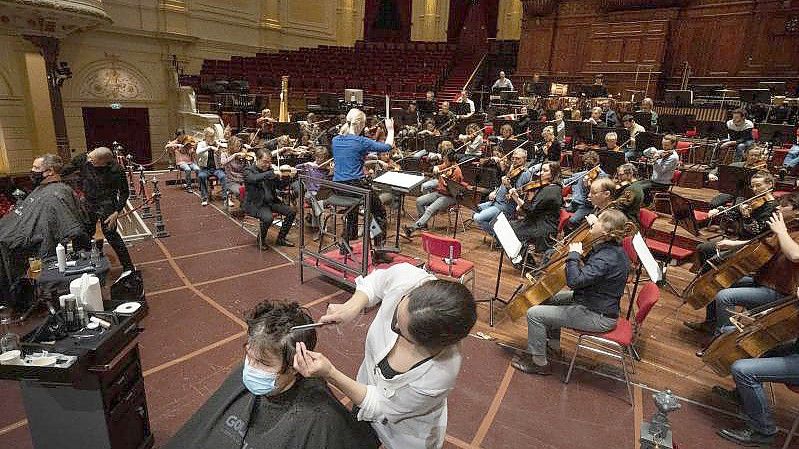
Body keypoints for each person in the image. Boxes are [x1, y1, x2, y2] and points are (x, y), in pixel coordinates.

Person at [292, 262, 477, 449]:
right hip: (362, 391)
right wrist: (351, 307)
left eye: (400, 330)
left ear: (427, 343)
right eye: (397, 312)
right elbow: (377, 282)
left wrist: (330, 373)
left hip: (405, 434)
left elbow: (380, 407)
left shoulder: (438, 375)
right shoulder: (410, 279)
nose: (394, 324)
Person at [165, 300, 379, 449]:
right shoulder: (247, 373)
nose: (250, 367)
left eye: (263, 363)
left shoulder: (320, 418)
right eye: (249, 356)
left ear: (295, 365)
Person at [511, 208, 631, 375]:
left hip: (597, 315)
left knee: (534, 314)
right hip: (592, 301)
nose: (594, 221)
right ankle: (553, 347)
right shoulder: (611, 249)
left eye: (598, 220)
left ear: (605, 231)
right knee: (546, 299)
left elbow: (575, 281)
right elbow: (590, 273)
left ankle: (538, 363)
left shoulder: (606, 258)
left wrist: (574, 255)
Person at [684, 178, 786, 336]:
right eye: (753, 185)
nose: (755, 189)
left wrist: (746, 217)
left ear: (770, 185)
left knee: (714, 265)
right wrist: (724, 212)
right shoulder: (754, 201)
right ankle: (709, 316)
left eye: (759, 185)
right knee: (705, 250)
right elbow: (735, 220)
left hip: (753, 248)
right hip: (743, 241)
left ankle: (713, 318)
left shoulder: (773, 208)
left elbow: (756, 231)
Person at [0, 154, 87, 310]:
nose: (32, 171)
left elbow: (69, 227)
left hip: (38, 244)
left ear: (50, 171)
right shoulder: (43, 189)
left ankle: (24, 296)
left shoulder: (57, 194)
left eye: (36, 168)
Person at [332, 108, 395, 255]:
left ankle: (345, 245)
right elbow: (387, 147)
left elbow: (351, 158)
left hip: (338, 187)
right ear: (360, 124)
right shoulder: (361, 141)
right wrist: (390, 129)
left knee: (351, 211)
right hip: (356, 186)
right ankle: (379, 251)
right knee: (379, 213)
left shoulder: (335, 140)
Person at [62, 147, 134, 272]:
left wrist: (117, 212)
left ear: (103, 162)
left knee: (111, 235)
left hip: (107, 203)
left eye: (92, 160)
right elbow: (64, 171)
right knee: (82, 234)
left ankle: (129, 267)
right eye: (89, 156)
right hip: (88, 201)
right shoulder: (84, 158)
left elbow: (124, 192)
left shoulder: (116, 170)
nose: (88, 160)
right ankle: (82, 265)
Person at [473, 148, 532, 238]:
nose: (514, 160)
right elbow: (502, 185)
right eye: (513, 158)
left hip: (505, 206)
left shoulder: (525, 174)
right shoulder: (512, 168)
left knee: (478, 218)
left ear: (524, 159)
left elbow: (518, 193)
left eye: (518, 159)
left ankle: (502, 237)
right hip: (495, 202)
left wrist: (508, 186)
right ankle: (497, 229)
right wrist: (495, 192)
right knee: (474, 209)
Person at [243, 148, 296, 248]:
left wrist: (288, 177)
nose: (267, 165)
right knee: (268, 218)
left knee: (291, 212)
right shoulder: (248, 170)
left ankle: (281, 238)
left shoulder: (269, 170)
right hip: (256, 204)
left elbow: (279, 186)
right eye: (265, 162)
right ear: (257, 159)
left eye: (269, 162)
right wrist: (272, 173)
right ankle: (261, 240)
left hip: (271, 201)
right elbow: (254, 179)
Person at [509, 162, 563, 257]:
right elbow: (536, 207)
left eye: (545, 171)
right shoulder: (553, 187)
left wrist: (516, 198)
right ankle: (523, 254)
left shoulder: (550, 191)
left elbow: (530, 211)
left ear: (554, 173)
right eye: (541, 170)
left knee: (510, 229)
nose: (541, 173)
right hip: (539, 221)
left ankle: (522, 257)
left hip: (542, 227)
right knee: (510, 226)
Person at [404, 151, 464, 237]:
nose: (444, 161)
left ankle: (413, 228)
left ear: (451, 160)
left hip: (449, 196)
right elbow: (439, 167)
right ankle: (423, 224)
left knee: (429, 210)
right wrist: (435, 169)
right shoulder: (447, 165)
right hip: (440, 193)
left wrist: (441, 177)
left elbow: (451, 190)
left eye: (446, 159)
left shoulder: (457, 172)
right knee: (419, 201)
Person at [563, 151, 607, 233]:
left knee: (572, 221)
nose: (588, 170)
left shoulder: (603, 178)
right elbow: (566, 181)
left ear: (596, 163)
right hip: (575, 201)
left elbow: (596, 196)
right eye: (587, 167)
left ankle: (574, 236)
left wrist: (588, 186)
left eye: (591, 167)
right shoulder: (585, 173)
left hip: (587, 205)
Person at [640, 134, 681, 204]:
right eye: (663, 144)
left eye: (666, 145)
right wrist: (653, 150)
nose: (664, 147)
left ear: (673, 144)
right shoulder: (661, 152)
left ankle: (648, 204)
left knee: (640, 188)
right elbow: (645, 152)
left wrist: (655, 161)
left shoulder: (673, 157)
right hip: (654, 181)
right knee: (635, 185)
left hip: (662, 184)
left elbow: (660, 171)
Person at [197, 126, 226, 206]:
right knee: (201, 176)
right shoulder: (201, 144)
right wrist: (209, 147)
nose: (212, 138)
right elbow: (198, 152)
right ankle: (204, 198)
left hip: (216, 169)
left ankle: (225, 197)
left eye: (213, 136)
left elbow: (225, 146)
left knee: (223, 176)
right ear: (205, 136)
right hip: (205, 169)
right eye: (210, 136)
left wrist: (220, 149)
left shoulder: (216, 143)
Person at [221, 136, 254, 207]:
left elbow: (247, 168)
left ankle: (245, 205)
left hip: (242, 180)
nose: (239, 148)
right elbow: (223, 163)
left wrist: (248, 160)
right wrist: (235, 155)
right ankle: (244, 204)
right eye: (236, 146)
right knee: (241, 191)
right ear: (231, 146)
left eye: (239, 146)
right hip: (231, 181)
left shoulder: (242, 155)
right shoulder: (225, 154)